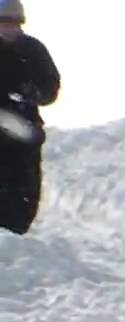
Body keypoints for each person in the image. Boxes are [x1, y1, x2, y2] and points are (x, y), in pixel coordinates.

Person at [0, 0, 59, 236]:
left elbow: (51, 87)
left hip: (23, 138)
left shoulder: (33, 50)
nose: (8, 29)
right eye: (3, 23)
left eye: (13, 23)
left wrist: (31, 92)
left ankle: (14, 238)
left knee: (21, 199)